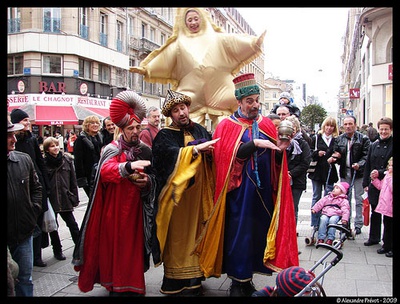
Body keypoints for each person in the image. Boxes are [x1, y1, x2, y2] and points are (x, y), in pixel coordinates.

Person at [194, 73, 299, 297]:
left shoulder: (267, 124)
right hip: (238, 193)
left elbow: (275, 158)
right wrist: (252, 144)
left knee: (256, 235)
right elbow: (225, 158)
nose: (255, 105)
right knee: (238, 236)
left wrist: (280, 150)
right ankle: (237, 281)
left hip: (261, 193)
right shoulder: (226, 126)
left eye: (256, 100)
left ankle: (248, 277)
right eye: (249, 101)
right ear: (239, 102)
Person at [72, 90, 156, 296]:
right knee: (115, 250)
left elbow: (156, 178)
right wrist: (128, 167)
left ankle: (133, 285)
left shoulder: (146, 150)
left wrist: (148, 182)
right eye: (131, 128)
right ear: (122, 129)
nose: (135, 131)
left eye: (138, 127)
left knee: (133, 251)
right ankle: (115, 286)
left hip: (137, 212)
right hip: (114, 212)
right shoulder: (111, 148)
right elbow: (105, 172)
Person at [130, 7, 265, 126]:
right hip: (190, 92)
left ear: (202, 19)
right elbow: (166, 58)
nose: (193, 23)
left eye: (196, 19)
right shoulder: (179, 43)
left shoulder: (217, 38)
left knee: (228, 125)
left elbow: (235, 43)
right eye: (189, 20)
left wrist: (253, 43)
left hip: (221, 88)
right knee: (186, 127)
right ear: (184, 22)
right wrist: (147, 69)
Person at [151, 89, 219, 296]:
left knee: (198, 234)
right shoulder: (164, 135)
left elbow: (212, 153)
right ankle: (174, 279)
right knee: (177, 238)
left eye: (183, 108)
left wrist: (208, 152)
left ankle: (196, 276)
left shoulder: (199, 129)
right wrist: (195, 150)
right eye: (175, 110)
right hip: (177, 199)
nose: (181, 113)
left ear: (188, 108)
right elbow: (165, 158)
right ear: (170, 115)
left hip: (198, 197)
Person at [10, 108, 61, 266]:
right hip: (20, 190)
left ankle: (37, 256)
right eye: (24, 120)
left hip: (36, 186)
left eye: (27, 120)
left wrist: (45, 186)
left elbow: (40, 163)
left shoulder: (32, 139)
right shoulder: (14, 144)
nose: (28, 123)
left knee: (40, 223)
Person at [7, 120, 43, 296]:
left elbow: (37, 188)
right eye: (8, 136)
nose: (13, 139)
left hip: (24, 232)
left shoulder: (23, 160)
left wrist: (33, 211)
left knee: (25, 279)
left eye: (13, 134)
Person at [330, 115, 370, 235]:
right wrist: (334, 158)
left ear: (355, 125)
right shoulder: (339, 139)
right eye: (346, 124)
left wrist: (360, 164)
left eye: (350, 124)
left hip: (358, 173)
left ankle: (358, 224)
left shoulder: (363, 139)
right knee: (345, 199)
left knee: (358, 199)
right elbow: (336, 153)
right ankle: (346, 222)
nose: (348, 126)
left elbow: (366, 155)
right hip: (344, 172)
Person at [43, 136, 80, 248]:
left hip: (65, 197)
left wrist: (74, 197)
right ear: (47, 149)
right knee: (54, 227)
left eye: (56, 145)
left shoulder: (67, 160)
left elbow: (73, 181)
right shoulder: (44, 163)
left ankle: (79, 247)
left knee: (73, 224)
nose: (55, 148)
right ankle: (57, 249)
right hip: (52, 198)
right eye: (52, 146)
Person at [362, 117, 393, 247]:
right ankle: (374, 237)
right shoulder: (374, 144)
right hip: (374, 184)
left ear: (391, 130)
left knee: (388, 216)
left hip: (388, 185)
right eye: (381, 129)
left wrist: (380, 173)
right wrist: (365, 183)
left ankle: (388, 243)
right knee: (375, 212)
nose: (383, 132)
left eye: (386, 129)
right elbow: (368, 164)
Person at [308, 117, 340, 230]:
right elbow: (310, 152)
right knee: (316, 196)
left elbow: (339, 153)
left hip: (330, 172)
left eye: (332, 126)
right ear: (323, 126)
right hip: (317, 171)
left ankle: (325, 223)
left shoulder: (336, 139)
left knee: (328, 197)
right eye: (327, 125)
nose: (329, 128)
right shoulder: (316, 138)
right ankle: (315, 223)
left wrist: (336, 156)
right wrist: (317, 153)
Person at [286, 115, 312, 226]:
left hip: (296, 181)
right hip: (283, 179)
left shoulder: (302, 143)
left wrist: (291, 173)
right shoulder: (283, 142)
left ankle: (291, 231)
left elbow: (305, 163)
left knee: (293, 208)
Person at [73, 115, 103, 198]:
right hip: (88, 175)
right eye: (92, 123)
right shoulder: (80, 140)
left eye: (97, 123)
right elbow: (78, 161)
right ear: (87, 125)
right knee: (93, 198)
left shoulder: (100, 137)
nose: (95, 125)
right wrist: (82, 179)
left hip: (100, 172)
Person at [371, 157, 392, 257]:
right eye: (389, 166)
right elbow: (381, 186)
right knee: (386, 226)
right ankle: (386, 245)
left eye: (392, 166)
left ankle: (391, 247)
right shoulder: (387, 175)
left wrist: (390, 178)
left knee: (391, 228)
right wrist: (374, 180)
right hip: (385, 205)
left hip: (391, 205)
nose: (389, 168)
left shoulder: (390, 177)